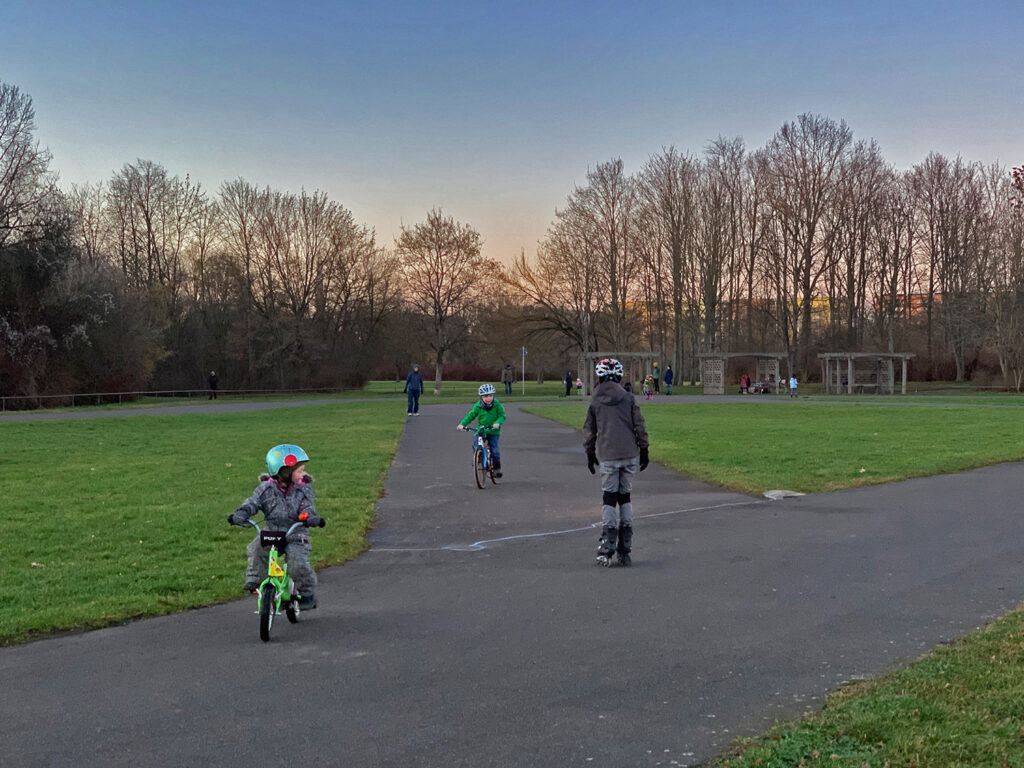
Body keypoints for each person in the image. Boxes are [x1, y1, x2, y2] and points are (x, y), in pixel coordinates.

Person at [227, 444, 325, 609]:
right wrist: (242, 514)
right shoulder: (266, 489)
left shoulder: (303, 490)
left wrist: (310, 518)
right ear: (284, 472)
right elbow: (253, 503)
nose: (303, 474)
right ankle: (255, 580)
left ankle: (307, 593)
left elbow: (307, 507)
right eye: (299, 471)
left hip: (295, 533)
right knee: (256, 547)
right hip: (273, 531)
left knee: (297, 562)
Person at [583, 358, 649, 567]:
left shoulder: (595, 401)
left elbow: (590, 431)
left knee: (609, 498)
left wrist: (590, 453)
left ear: (600, 376)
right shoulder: (628, 397)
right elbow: (639, 424)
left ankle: (608, 542)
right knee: (625, 496)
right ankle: (625, 545)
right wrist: (644, 448)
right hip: (629, 453)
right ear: (619, 376)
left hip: (608, 454)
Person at [457, 383, 506, 477]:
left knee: (495, 450)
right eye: (486, 396)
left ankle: (496, 468)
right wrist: (462, 424)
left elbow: (502, 416)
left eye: (490, 395)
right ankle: (477, 459)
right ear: (481, 397)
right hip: (481, 430)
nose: (488, 398)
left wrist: (498, 423)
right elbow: (470, 416)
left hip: (493, 431)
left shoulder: (497, 405)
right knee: (476, 445)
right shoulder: (478, 406)